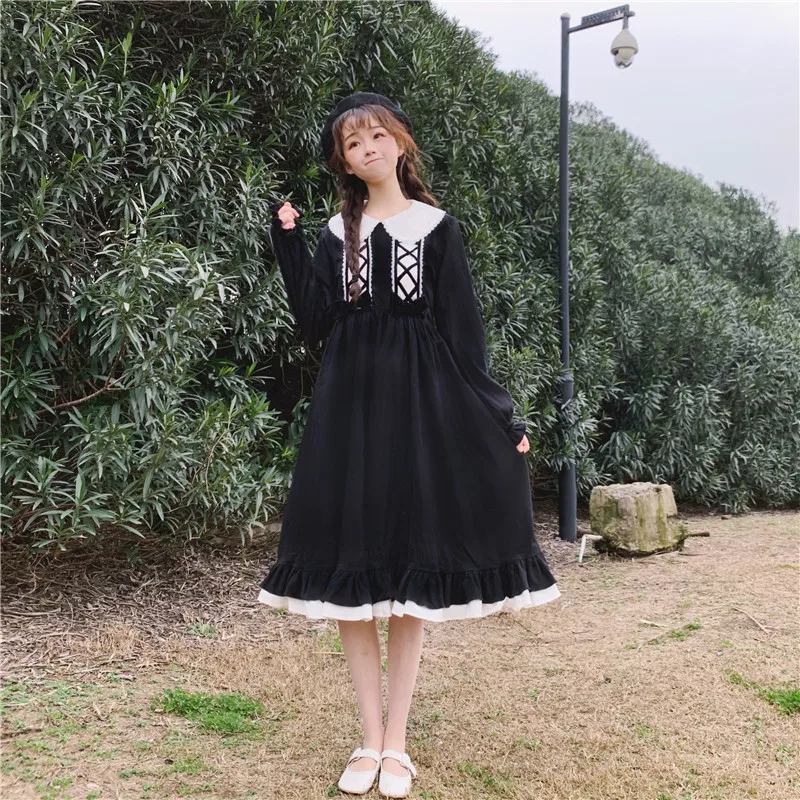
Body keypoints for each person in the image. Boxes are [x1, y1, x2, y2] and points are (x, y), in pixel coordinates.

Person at [258, 91, 561, 798]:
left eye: (376, 135)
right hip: (349, 411)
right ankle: (368, 740)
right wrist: (289, 245)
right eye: (352, 143)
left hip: (420, 413)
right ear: (343, 162)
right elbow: (315, 322)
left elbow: (464, 333)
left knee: (406, 582)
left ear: (400, 141)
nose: (367, 148)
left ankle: (397, 745)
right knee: (354, 577)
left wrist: (501, 415)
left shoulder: (437, 227)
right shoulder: (336, 232)